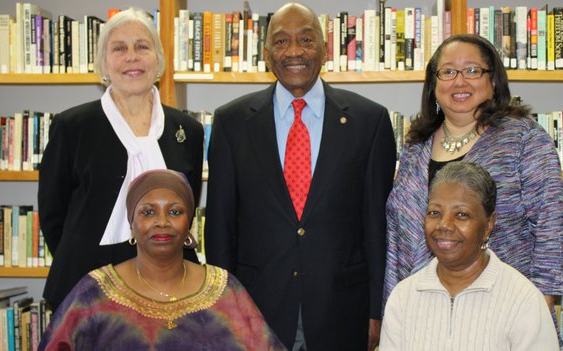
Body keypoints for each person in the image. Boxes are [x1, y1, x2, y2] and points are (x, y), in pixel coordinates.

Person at [204, 3, 396, 350]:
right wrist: (224, 309)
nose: (294, 51)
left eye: (306, 39)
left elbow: (376, 228)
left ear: (324, 49)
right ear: (265, 54)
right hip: (256, 311)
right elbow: (220, 230)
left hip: (343, 311)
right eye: (281, 42)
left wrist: (377, 311)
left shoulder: (370, 122)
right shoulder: (232, 123)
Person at [384, 34, 563, 312]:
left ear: (493, 81)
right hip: (423, 306)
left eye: (472, 70)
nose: (459, 81)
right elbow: (399, 235)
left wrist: (541, 304)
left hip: (503, 307)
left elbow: (548, 225)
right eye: (447, 72)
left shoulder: (524, 139)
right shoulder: (415, 147)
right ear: (434, 84)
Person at [38, 8, 204, 311]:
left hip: (169, 278)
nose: (132, 57)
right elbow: (53, 214)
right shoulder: (72, 126)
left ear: (158, 60)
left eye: (142, 46)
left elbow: (188, 205)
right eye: (119, 48)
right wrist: (81, 254)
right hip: (87, 282)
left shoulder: (188, 130)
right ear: (104, 62)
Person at [39, 169, 286, 350]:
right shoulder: (93, 293)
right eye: (148, 212)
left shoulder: (225, 289)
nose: (162, 221)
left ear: (188, 222)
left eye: (175, 211)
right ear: (132, 224)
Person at [380, 161, 559, 350]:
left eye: (461, 215)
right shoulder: (403, 296)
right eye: (434, 212)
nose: (444, 225)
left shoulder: (523, 299)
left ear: (489, 225)